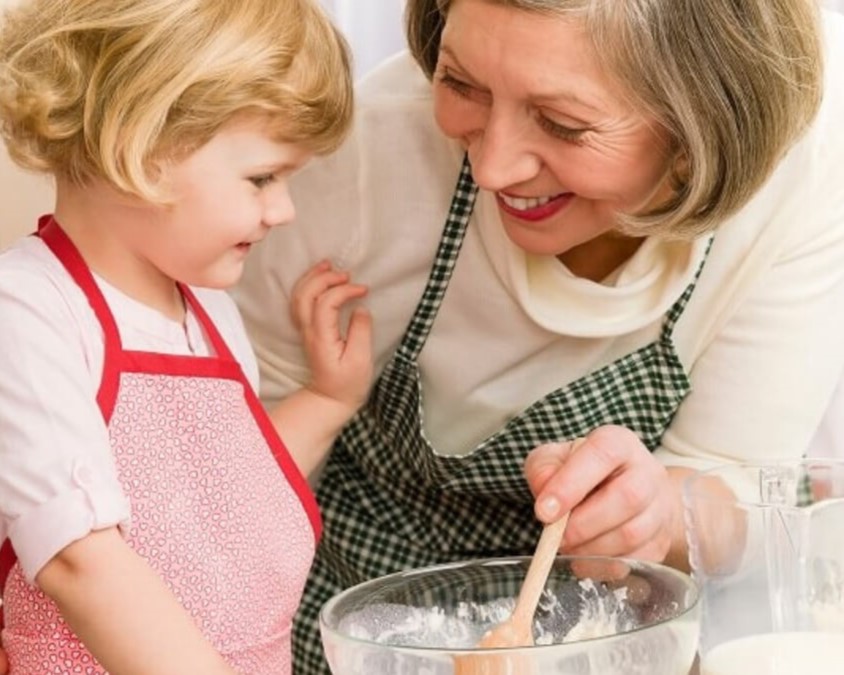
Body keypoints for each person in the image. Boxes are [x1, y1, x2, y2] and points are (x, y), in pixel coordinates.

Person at [231, 0, 844, 672]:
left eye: (563, 125)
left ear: (703, 124)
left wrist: (660, 512)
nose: (493, 167)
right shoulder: (362, 152)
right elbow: (232, 478)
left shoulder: (801, 193)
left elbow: (744, 495)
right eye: (461, 84)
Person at [0, 0, 371, 673]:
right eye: (263, 177)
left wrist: (328, 398)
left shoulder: (206, 310)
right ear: (138, 147)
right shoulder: (26, 312)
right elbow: (83, 562)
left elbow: (214, 515)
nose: (283, 210)